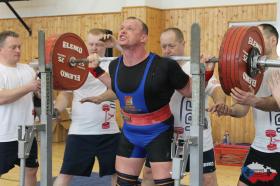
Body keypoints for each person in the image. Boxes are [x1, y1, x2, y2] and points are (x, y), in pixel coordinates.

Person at [85, 17, 215, 186]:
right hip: (130, 132)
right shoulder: (115, 65)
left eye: (130, 28)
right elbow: (118, 87)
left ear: (143, 38)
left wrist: (206, 73)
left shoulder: (164, 66)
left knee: (163, 183)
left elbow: (191, 91)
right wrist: (95, 71)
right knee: (122, 183)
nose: (123, 31)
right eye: (122, 27)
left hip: (159, 133)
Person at [141, 27, 225, 186]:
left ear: (183, 44)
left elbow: (216, 90)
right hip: (167, 136)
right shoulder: (159, 69)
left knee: (207, 180)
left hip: (198, 137)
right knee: (150, 174)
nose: (167, 51)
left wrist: (220, 102)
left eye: (171, 46)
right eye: (164, 47)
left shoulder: (196, 66)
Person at [212, 24, 280, 186]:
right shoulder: (252, 73)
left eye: (260, 38)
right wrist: (228, 110)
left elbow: (276, 104)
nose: (256, 46)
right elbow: (242, 109)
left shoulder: (279, 69)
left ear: (273, 40)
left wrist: (254, 101)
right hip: (260, 148)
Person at [53, 28, 120, 186]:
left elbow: (119, 91)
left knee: (118, 174)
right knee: (65, 174)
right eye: (91, 44)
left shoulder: (114, 65)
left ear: (106, 46)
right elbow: (65, 95)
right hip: (81, 132)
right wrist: (56, 110)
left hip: (110, 132)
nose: (95, 47)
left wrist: (116, 42)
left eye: (99, 44)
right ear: (84, 45)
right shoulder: (74, 66)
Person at [0, 31, 41, 186]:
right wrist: (28, 87)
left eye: (19, 47)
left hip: (27, 131)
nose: (18, 50)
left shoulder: (27, 70)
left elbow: (36, 96)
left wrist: (41, 89)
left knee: (31, 169)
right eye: (13, 47)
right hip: (4, 134)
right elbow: (1, 98)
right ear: (0, 50)